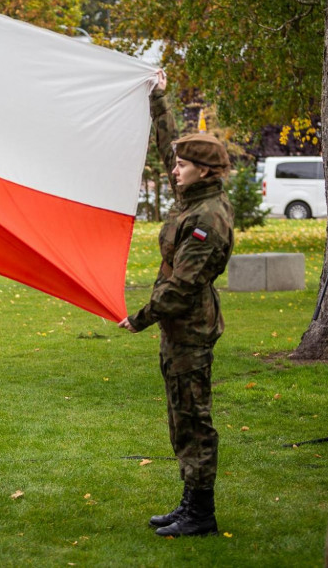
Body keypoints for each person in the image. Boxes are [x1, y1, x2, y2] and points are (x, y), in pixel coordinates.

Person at [118, 70, 234, 537]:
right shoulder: (193, 194)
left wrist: (140, 318)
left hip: (190, 328)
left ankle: (200, 513)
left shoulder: (207, 218)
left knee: (193, 420)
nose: (174, 169)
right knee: (181, 415)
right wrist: (158, 98)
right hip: (180, 328)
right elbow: (171, 148)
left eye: (183, 166)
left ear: (204, 170)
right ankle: (189, 502)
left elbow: (182, 286)